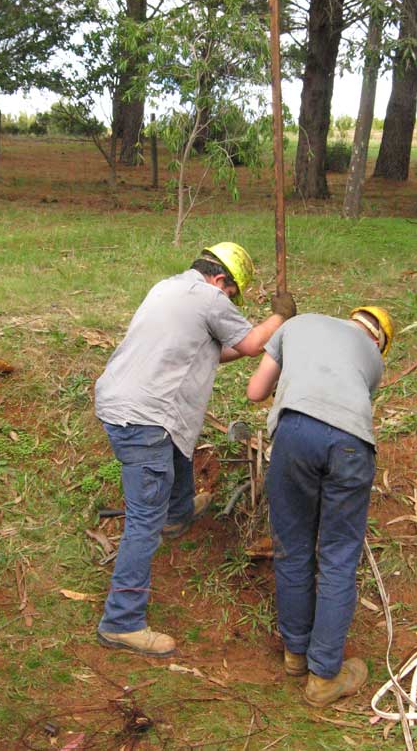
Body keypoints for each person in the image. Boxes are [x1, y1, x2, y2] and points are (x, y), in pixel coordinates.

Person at [94, 242, 296, 657]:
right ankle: (122, 621)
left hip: (124, 406)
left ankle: (178, 514)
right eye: (232, 294)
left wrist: (248, 342)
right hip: (146, 417)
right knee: (142, 521)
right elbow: (251, 344)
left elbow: (216, 350)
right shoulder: (208, 297)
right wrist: (280, 316)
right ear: (221, 281)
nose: (230, 300)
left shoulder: (167, 289)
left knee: (176, 458)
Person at [246, 304, 394, 708]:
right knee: (337, 560)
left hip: (294, 434)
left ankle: (295, 655)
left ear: (351, 318)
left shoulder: (299, 324)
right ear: (378, 339)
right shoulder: (374, 361)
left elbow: (255, 392)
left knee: (292, 550)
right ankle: (324, 676)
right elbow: (351, 410)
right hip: (351, 446)